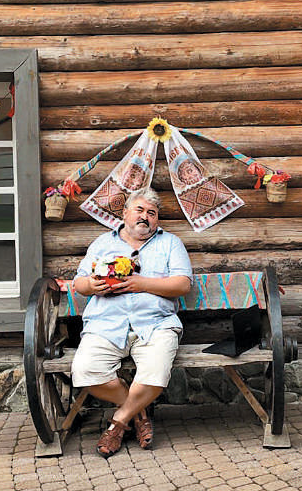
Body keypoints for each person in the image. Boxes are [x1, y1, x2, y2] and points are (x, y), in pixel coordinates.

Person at [71, 187, 193, 458]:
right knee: (85, 371)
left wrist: (142, 284)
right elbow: (79, 283)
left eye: (152, 213)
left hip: (156, 324)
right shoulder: (102, 243)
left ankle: (118, 423)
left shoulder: (170, 243)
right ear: (125, 213)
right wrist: (91, 285)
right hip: (105, 324)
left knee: (156, 371)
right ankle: (139, 413)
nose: (145, 216)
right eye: (139, 210)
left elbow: (183, 284)